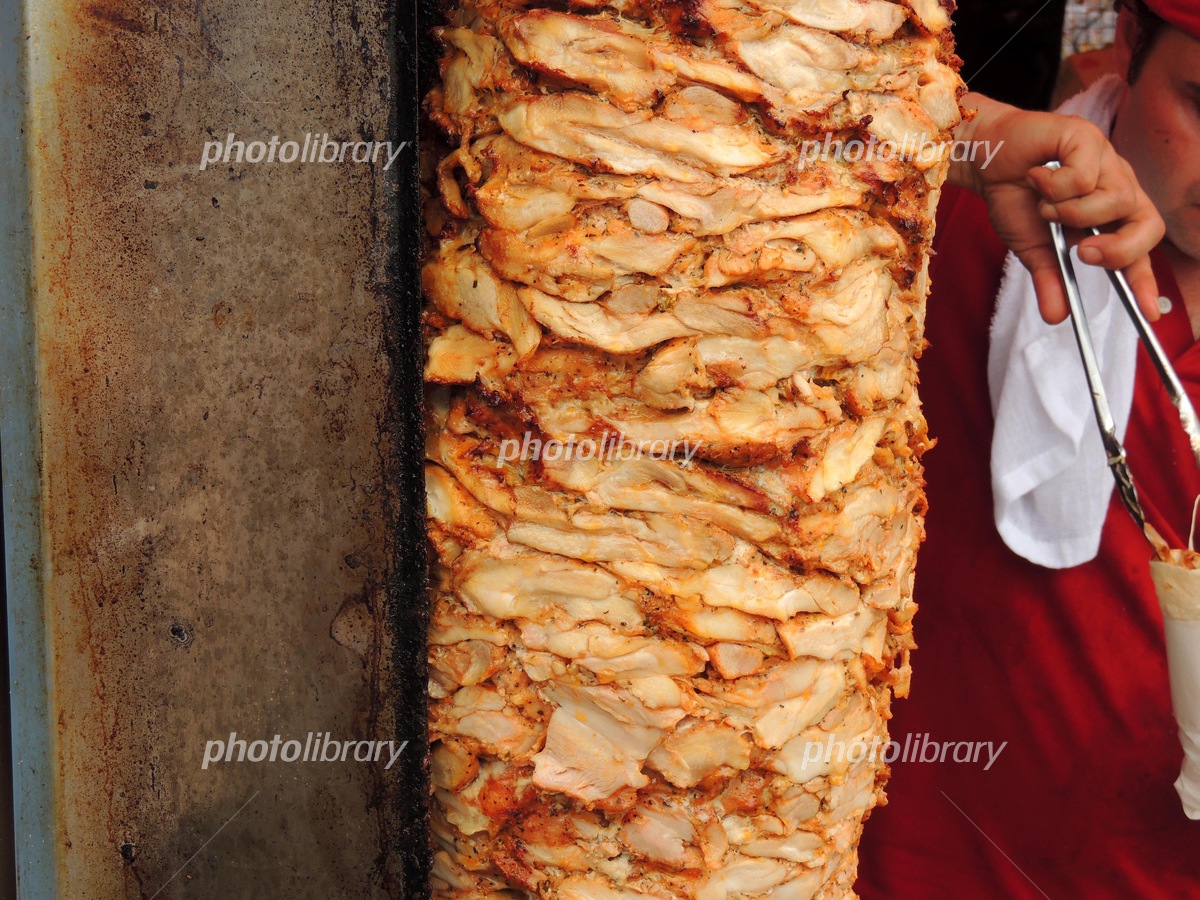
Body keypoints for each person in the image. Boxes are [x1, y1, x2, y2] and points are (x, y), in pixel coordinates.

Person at [857, 1, 1200, 896]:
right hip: (923, 862)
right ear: (1128, 44)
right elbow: (740, 115)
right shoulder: (968, 229)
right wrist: (971, 132)